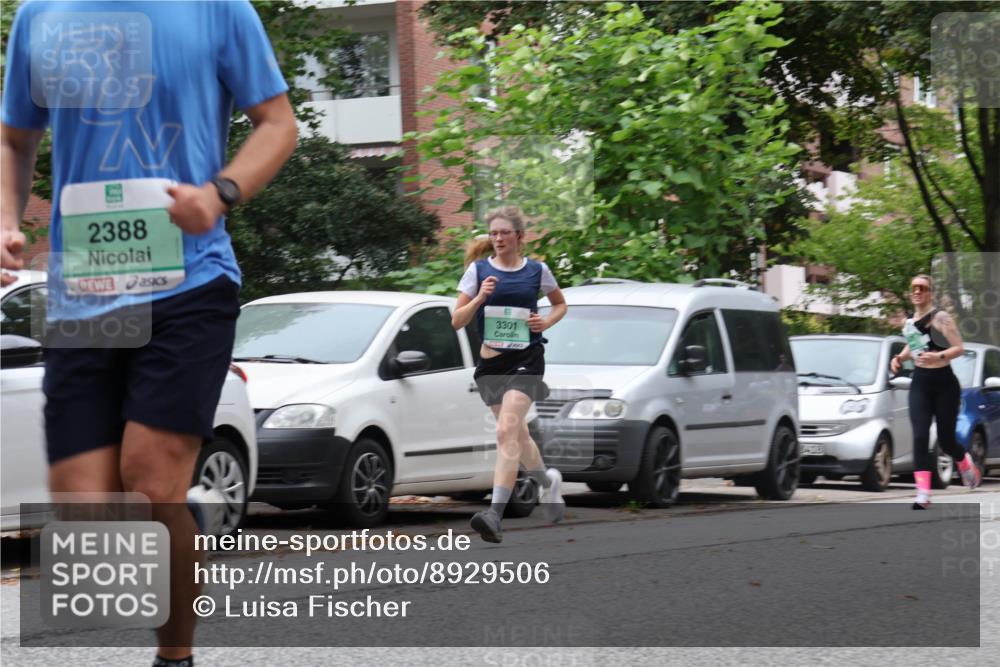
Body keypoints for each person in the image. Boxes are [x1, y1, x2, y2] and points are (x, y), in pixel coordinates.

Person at [1, 2, 297, 664]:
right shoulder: (39, 15)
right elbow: (13, 139)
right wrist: (6, 219)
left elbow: (278, 123)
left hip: (190, 281)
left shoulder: (217, 9)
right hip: (84, 294)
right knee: (86, 507)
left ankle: (175, 657)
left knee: (149, 484)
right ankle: (179, 538)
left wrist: (219, 193)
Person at [452, 206, 568, 543]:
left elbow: (560, 304)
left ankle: (494, 514)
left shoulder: (536, 270)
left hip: (526, 360)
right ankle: (548, 483)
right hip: (490, 366)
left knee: (505, 432)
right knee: (518, 435)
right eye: (494, 233)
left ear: (519, 236)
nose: (499, 238)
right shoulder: (478, 271)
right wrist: (480, 298)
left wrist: (545, 321)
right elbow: (457, 320)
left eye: (505, 232)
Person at [890, 274, 981, 509]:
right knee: (920, 436)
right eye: (914, 288)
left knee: (946, 439)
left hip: (944, 384)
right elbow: (914, 344)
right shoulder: (909, 321)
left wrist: (938, 356)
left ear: (930, 292)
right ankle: (923, 493)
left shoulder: (941, 318)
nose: (917, 292)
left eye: (922, 288)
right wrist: (899, 357)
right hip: (920, 383)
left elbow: (958, 348)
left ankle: (963, 460)